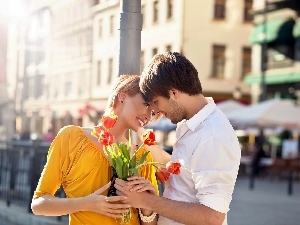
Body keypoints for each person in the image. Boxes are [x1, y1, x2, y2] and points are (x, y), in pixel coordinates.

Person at [115, 52, 241, 225]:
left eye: (156, 102)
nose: (155, 111)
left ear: (173, 93)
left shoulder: (212, 135)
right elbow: (185, 186)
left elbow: (212, 217)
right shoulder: (190, 125)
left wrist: (146, 201)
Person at [31, 75, 159, 225]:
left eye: (154, 111)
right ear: (122, 95)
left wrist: (148, 205)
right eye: (146, 104)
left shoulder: (142, 156)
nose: (149, 115)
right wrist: (86, 204)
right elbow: (39, 204)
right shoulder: (72, 137)